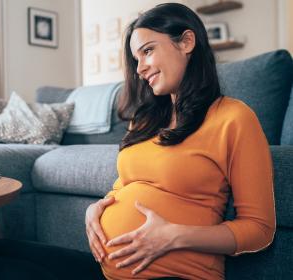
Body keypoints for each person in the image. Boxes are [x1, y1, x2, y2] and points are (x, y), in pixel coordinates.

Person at [85, 3, 276, 280]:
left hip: (180, 275)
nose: (139, 68)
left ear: (186, 42)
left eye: (147, 51)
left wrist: (174, 236)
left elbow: (259, 230)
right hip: (109, 272)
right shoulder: (144, 120)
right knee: (1, 254)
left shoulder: (234, 118)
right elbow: (124, 188)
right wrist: (95, 210)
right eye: (136, 58)